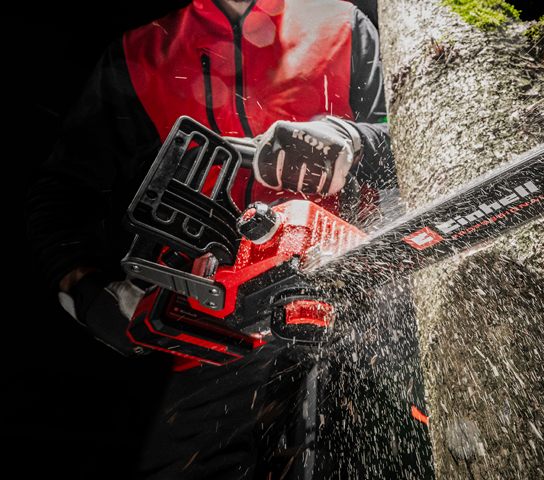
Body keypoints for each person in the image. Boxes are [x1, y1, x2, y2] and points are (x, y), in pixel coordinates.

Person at [25, 0, 416, 477]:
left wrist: (353, 141)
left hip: (353, 306)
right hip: (215, 336)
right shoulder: (140, 54)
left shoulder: (339, 24)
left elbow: (417, 136)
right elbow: (63, 193)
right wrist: (87, 294)